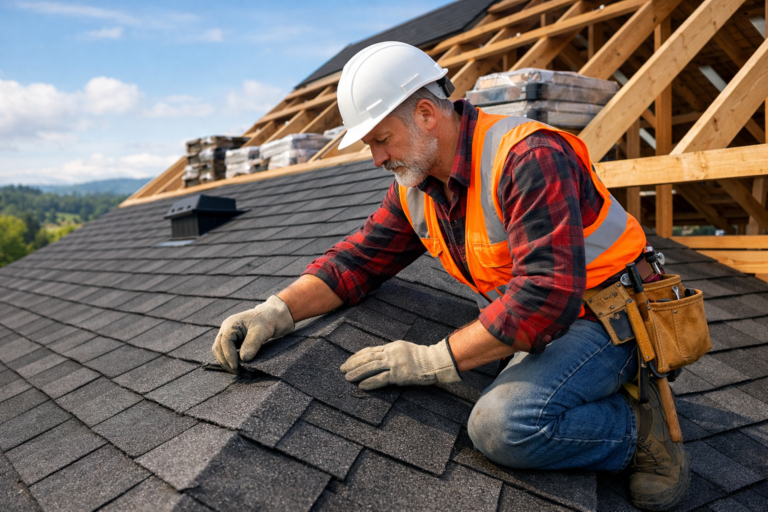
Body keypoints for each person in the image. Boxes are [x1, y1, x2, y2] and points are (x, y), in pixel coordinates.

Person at [212, 42, 690, 511]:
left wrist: (431, 360)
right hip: (532, 318)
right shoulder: (416, 185)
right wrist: (276, 311)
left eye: (381, 139)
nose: (377, 158)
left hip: (608, 318)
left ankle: (639, 432)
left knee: (502, 426)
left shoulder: (528, 157)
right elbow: (357, 261)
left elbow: (545, 296)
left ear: (425, 114)